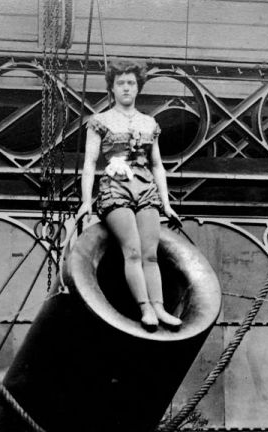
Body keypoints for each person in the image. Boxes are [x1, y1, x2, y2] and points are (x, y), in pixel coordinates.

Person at [77, 59, 182, 331]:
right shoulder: (100, 121)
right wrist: (86, 202)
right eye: (120, 83)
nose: (126, 88)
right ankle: (145, 307)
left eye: (131, 83)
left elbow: (157, 165)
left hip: (145, 188)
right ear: (112, 88)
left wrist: (166, 204)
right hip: (116, 188)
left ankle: (160, 308)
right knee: (132, 251)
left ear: (138, 87)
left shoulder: (150, 123)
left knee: (151, 254)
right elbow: (89, 163)